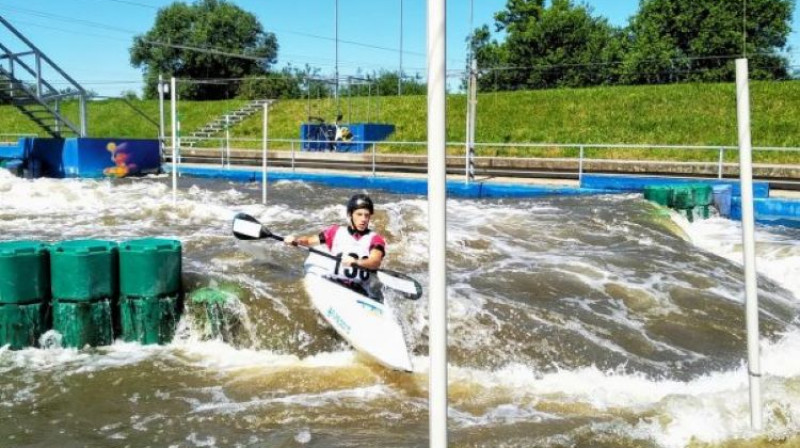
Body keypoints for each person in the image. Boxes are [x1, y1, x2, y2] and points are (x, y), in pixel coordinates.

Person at [284, 193, 386, 300]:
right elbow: (309, 241)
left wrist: (356, 262)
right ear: (350, 214)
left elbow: (375, 262)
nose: (363, 219)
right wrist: (295, 241)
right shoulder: (335, 232)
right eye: (359, 214)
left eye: (367, 215)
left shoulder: (375, 239)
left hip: (360, 289)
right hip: (334, 283)